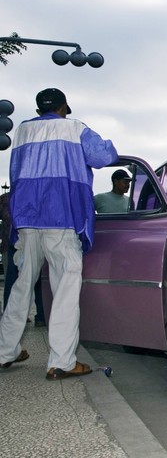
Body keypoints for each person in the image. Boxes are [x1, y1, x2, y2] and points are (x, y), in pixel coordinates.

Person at [0, 88, 118, 379]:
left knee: (20, 288)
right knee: (65, 289)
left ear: (39, 109)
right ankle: (61, 362)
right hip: (61, 217)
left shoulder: (23, 131)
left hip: (27, 219)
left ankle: (5, 352)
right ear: (65, 106)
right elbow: (104, 156)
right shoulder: (74, 128)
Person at [1, 190, 45, 327]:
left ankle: (12, 317)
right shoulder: (37, 194)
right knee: (36, 280)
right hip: (35, 241)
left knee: (13, 280)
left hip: (13, 242)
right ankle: (41, 317)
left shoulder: (5, 198)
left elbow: (7, 218)